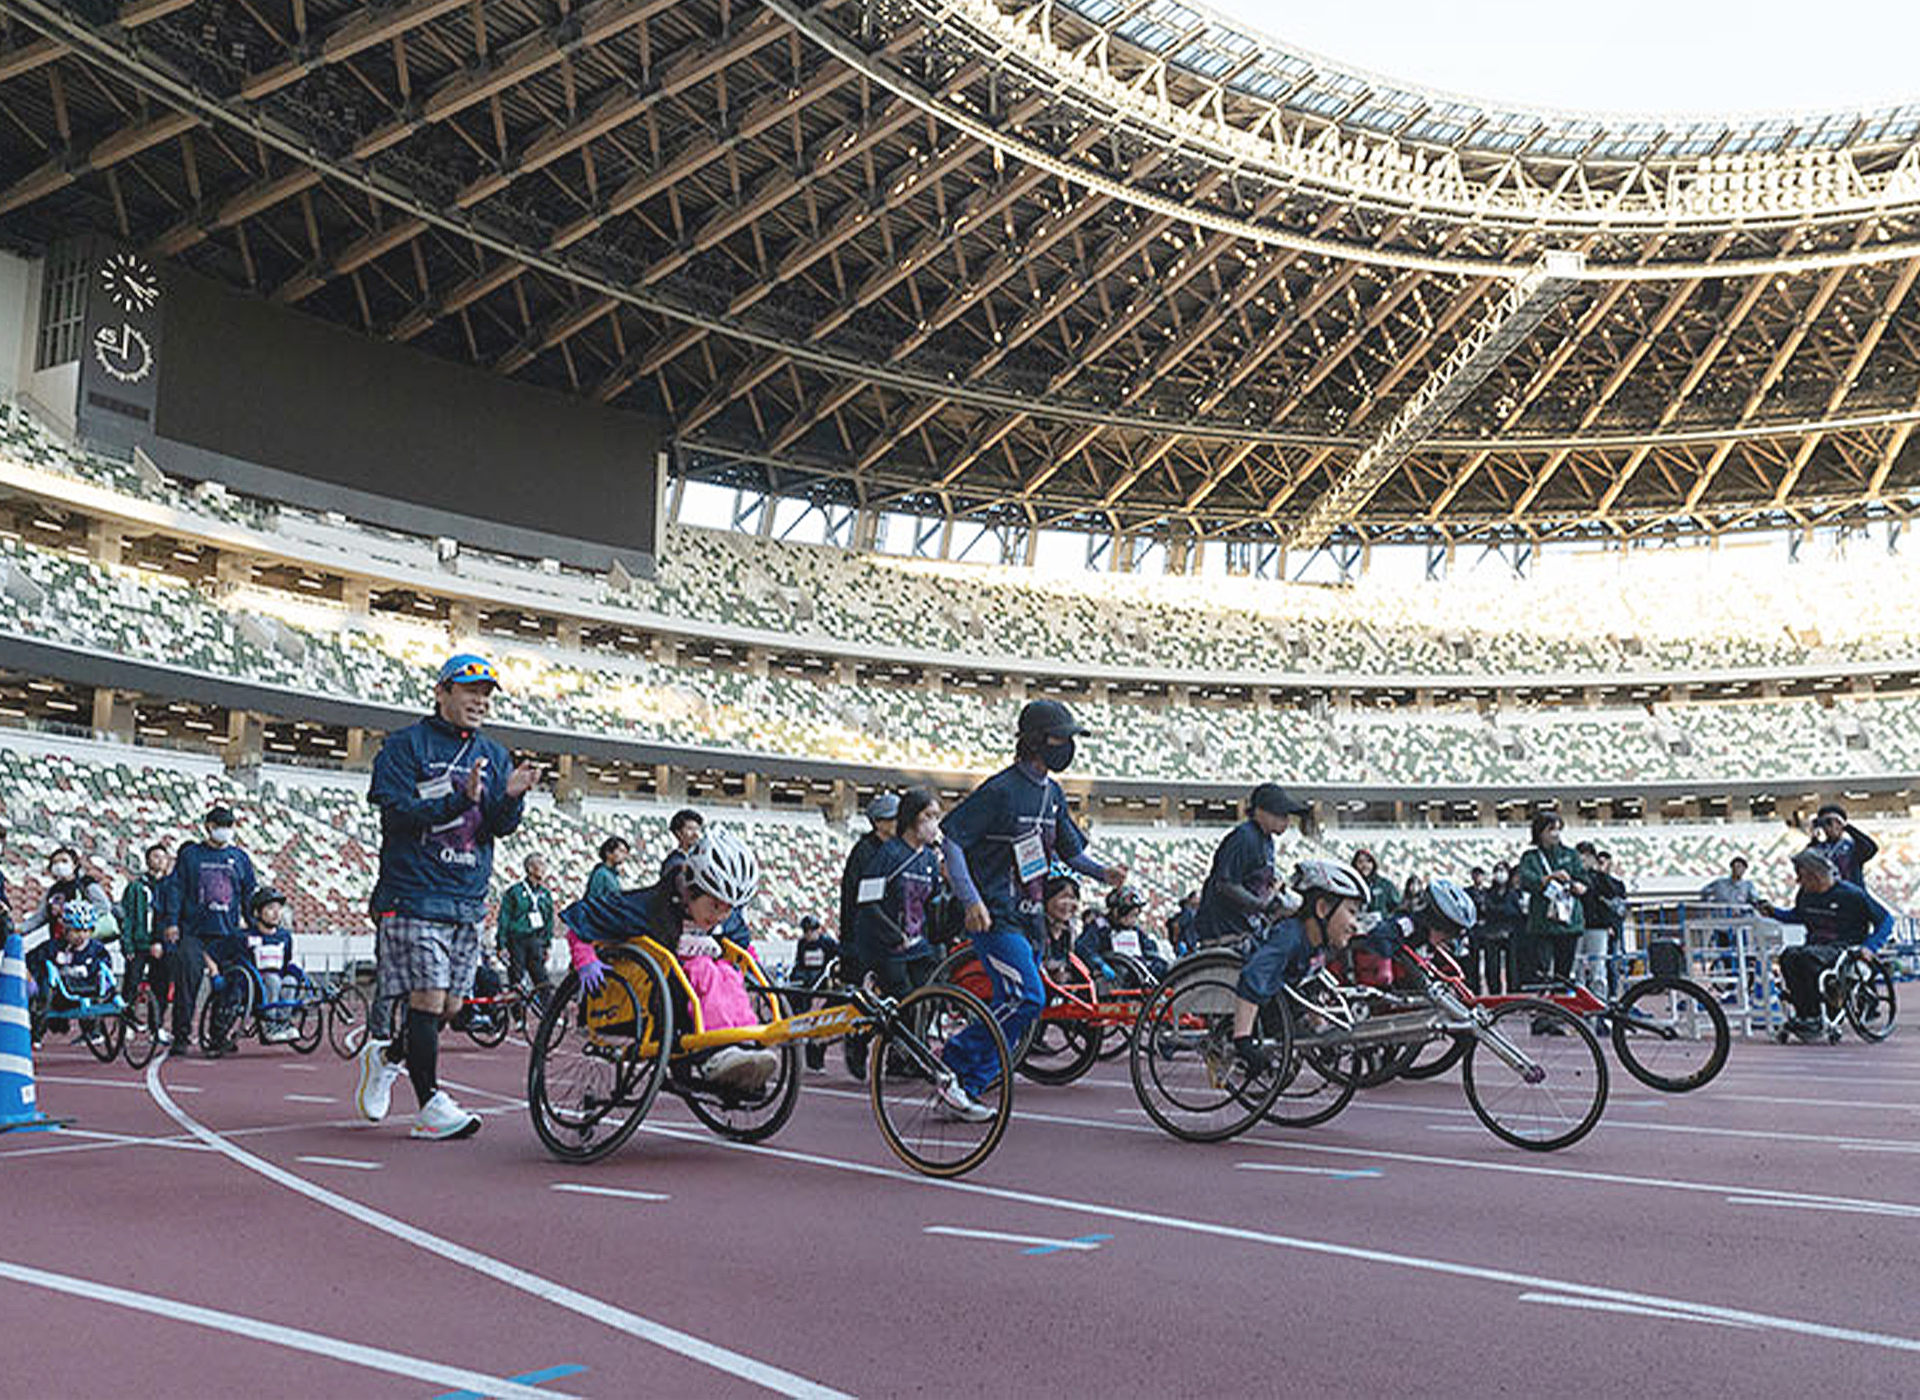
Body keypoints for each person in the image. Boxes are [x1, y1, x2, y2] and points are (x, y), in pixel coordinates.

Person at [353, 654, 539, 1140]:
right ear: (442, 692)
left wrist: (512, 796)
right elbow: (397, 813)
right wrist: (461, 798)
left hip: (467, 894)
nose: (480, 700)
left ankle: (389, 1055)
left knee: (452, 1007)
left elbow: (496, 826)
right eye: (469, 690)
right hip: (412, 890)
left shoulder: (496, 754)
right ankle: (431, 1104)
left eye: (487, 693)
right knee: (428, 997)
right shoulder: (405, 746)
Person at [938, 700, 1126, 1122]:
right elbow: (951, 837)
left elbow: (1070, 852)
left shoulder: (1053, 793)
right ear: (1039, 741)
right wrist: (970, 899)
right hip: (996, 916)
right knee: (1027, 997)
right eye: (1063, 739)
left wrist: (1103, 874)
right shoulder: (1001, 790)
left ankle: (965, 1087)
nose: (1069, 747)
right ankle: (951, 1059)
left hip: (1031, 918)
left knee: (1020, 1003)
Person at [561, 828, 778, 1093]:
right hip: (653, 995)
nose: (721, 915)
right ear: (693, 890)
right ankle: (715, 1052)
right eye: (715, 905)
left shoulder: (725, 915)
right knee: (703, 971)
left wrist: (761, 979)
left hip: (693, 983)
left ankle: (745, 1044)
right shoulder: (648, 906)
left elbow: (742, 946)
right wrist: (585, 959)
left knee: (727, 974)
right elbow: (581, 918)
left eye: (729, 908)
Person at [1229, 859, 1369, 1075]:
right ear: (1322, 909)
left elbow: (1310, 987)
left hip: (1281, 1005)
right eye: (1351, 912)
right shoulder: (1289, 937)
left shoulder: (1318, 945)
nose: (1355, 925)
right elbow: (1253, 977)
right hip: (1254, 1003)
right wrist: (1243, 1040)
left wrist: (1320, 1030)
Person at [1752, 850, 1894, 1041]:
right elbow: (1797, 915)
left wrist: (1870, 947)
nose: (1798, 881)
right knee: (1788, 956)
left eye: (1801, 876)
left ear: (1816, 876)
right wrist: (1774, 912)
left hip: (1844, 947)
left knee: (1805, 958)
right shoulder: (1805, 895)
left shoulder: (1852, 895)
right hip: (1816, 947)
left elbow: (1886, 920)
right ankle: (1806, 1014)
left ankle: (1814, 1015)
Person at [160, 807, 258, 1058]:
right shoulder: (191, 855)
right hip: (194, 931)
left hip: (227, 933)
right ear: (208, 826)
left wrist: (253, 925)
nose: (224, 830)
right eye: (220, 825)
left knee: (229, 986)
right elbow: (176, 889)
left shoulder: (240, 858)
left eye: (229, 825)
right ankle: (181, 1036)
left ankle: (219, 1035)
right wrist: (171, 922)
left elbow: (249, 895)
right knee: (187, 984)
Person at [1191, 784, 1312, 948]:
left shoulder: (1267, 841)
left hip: (1246, 926)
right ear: (1260, 812)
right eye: (1280, 814)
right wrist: (1261, 906)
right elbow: (1224, 883)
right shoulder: (1244, 837)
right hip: (1226, 931)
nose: (1286, 821)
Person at [855, 788, 944, 999]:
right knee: (904, 1008)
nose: (933, 823)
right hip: (891, 954)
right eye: (928, 816)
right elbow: (867, 902)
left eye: (937, 817)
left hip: (922, 951)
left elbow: (934, 905)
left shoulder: (930, 859)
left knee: (927, 1003)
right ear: (912, 817)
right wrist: (894, 936)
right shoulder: (888, 854)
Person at [836, 792, 898, 1078]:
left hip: (890, 935)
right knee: (862, 999)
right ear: (878, 822)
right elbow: (856, 900)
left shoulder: (897, 849)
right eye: (892, 818)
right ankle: (854, 1043)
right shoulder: (864, 853)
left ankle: (895, 1054)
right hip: (865, 937)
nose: (898, 822)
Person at [25, 901, 113, 1047]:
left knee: (100, 989)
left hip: (88, 989)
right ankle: (37, 1033)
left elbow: (106, 966)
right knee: (45, 987)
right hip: (59, 993)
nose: (81, 936)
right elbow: (31, 959)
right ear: (66, 929)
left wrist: (105, 980)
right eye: (76, 931)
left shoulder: (97, 949)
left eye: (86, 931)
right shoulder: (53, 946)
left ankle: (93, 1031)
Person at [1514, 812, 1585, 988]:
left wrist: (1579, 887)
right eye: (1550, 829)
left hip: (1569, 922)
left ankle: (1563, 1005)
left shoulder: (1570, 854)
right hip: (1542, 923)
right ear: (1540, 832)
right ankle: (1545, 1004)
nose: (1555, 833)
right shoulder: (1531, 857)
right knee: (1543, 970)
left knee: (1565, 972)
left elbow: (1584, 879)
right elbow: (1526, 881)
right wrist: (1549, 878)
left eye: (1558, 829)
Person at [118, 843, 174, 1037]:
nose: (159, 860)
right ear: (148, 859)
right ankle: (126, 1023)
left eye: (163, 857)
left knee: (161, 987)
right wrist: (127, 944)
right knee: (131, 984)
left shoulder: (171, 887)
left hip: (162, 945)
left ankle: (156, 1026)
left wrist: (163, 942)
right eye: (155, 856)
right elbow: (128, 917)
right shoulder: (136, 887)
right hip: (139, 943)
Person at [22, 846, 115, 945]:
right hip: (59, 940)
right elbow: (40, 917)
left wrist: (78, 915)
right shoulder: (53, 891)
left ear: (74, 864)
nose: (59, 865)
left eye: (64, 861)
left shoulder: (86, 884)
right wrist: (19, 929)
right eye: (55, 862)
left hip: (85, 941)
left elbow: (104, 905)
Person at [245, 887, 303, 1044]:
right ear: (257, 913)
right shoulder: (248, 936)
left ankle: (283, 1024)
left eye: (279, 909)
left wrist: (294, 972)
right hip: (256, 984)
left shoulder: (285, 936)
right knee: (273, 980)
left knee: (290, 982)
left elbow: (288, 960)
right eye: (270, 909)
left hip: (277, 977)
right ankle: (269, 1026)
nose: (276, 913)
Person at [497, 854, 556, 993]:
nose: (544, 868)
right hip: (517, 940)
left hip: (536, 941)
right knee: (517, 982)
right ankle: (516, 1014)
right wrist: (501, 944)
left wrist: (547, 944)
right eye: (540, 864)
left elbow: (548, 920)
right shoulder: (515, 892)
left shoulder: (545, 894)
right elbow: (504, 918)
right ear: (530, 868)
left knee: (542, 982)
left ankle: (549, 1013)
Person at [1576, 842, 1628, 999]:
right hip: (1576, 926)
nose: (1584, 859)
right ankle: (1579, 1000)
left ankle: (1600, 1000)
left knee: (1598, 967)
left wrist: (1601, 873)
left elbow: (1612, 893)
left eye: (1588, 855)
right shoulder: (1574, 875)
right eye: (1581, 855)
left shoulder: (1600, 878)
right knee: (1577, 967)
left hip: (1598, 926)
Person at [789, 915, 839, 1069]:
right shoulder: (802, 944)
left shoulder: (827, 943)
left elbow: (835, 960)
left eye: (812, 931)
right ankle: (797, 1015)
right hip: (806, 978)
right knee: (795, 990)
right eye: (806, 931)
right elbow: (799, 963)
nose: (809, 934)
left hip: (822, 978)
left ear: (818, 930)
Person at [1807, 805, 1877, 888]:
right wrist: (1814, 836)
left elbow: (1871, 848)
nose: (1831, 827)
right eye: (1826, 823)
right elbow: (1807, 861)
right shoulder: (1819, 849)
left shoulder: (1851, 847)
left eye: (1834, 822)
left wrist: (1847, 827)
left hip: (1852, 894)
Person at [1352, 848, 1399, 918]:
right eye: (1360, 862)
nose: (1364, 865)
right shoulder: (1352, 885)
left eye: (1368, 861)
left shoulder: (1385, 885)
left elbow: (1397, 908)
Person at [661, 810, 704, 881]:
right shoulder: (673, 862)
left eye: (697, 829)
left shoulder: (700, 858)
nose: (696, 834)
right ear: (678, 833)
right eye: (690, 829)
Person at [588, 836, 630, 901]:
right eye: (621, 851)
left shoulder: (613, 875)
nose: (624, 856)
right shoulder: (601, 874)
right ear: (608, 852)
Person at [1167, 890, 1200, 957]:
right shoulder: (1188, 912)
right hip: (1187, 946)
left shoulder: (1194, 913)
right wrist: (1177, 943)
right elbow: (1176, 926)